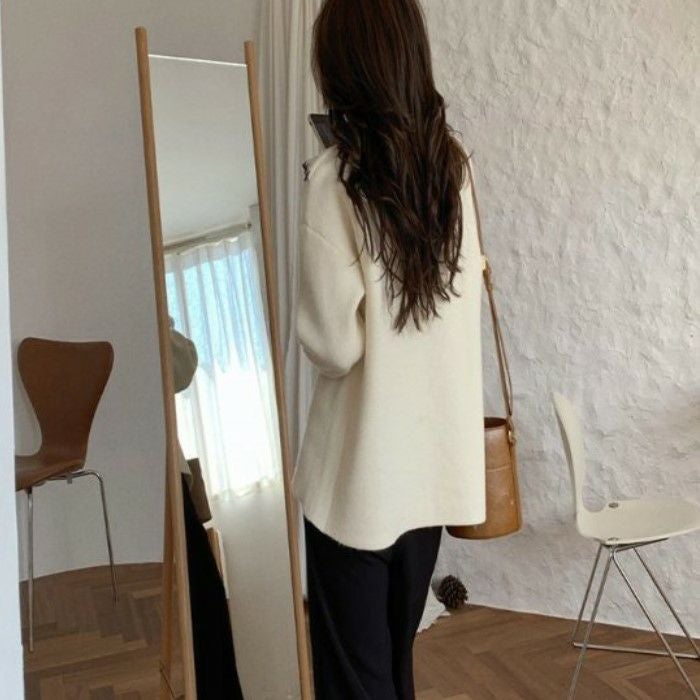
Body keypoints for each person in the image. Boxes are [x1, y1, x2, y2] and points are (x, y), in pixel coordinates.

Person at [293, 0, 487, 697]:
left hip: (359, 481)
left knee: (357, 680)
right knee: (394, 667)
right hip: (428, 475)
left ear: (342, 65)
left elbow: (333, 346)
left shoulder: (336, 179)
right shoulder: (451, 169)